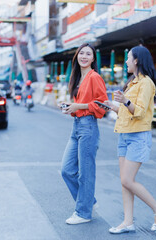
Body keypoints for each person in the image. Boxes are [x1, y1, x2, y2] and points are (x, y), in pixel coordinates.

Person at [102, 46, 156, 233]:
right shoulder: (132, 82)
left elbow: (138, 112)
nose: (126, 62)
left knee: (127, 180)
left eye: (129, 58)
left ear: (137, 60)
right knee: (125, 181)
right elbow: (127, 110)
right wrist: (113, 106)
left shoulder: (146, 83)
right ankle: (128, 222)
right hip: (124, 134)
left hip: (138, 136)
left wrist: (124, 101)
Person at [60, 43, 108, 225]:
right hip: (77, 125)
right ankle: (89, 202)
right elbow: (80, 105)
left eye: (89, 54)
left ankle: (83, 213)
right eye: (82, 53)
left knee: (85, 173)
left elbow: (103, 105)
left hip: (88, 127)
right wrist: (70, 108)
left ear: (93, 59)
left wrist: (78, 106)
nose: (84, 56)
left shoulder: (94, 77)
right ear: (77, 56)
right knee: (66, 170)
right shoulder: (77, 77)